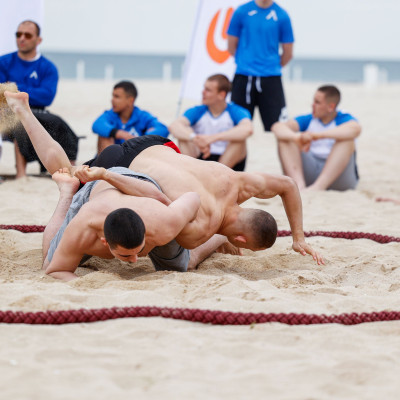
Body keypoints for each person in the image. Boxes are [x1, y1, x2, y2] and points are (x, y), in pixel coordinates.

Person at [3, 89, 231, 281]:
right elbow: (99, 126)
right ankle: (64, 186)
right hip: (124, 165)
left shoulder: (162, 221)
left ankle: (25, 113)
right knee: (65, 173)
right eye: (127, 256)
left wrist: (169, 205)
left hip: (135, 165)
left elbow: (161, 131)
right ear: (104, 241)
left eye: (118, 96)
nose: (134, 262)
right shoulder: (85, 222)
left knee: (65, 171)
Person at [0, 20, 78, 178]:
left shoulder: (48, 67)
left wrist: (15, 88)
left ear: (38, 40)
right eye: (18, 34)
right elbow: (1, 92)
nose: (22, 38)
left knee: (60, 125)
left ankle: (70, 170)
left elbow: (47, 96)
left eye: (27, 35)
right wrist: (26, 92)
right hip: (7, 112)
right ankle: (21, 174)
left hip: (39, 112)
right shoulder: (4, 62)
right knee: (19, 123)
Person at [271, 85, 362, 191]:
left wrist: (317, 136)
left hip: (339, 177)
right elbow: (277, 127)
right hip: (311, 170)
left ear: (331, 107)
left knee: (347, 141)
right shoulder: (309, 119)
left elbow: (355, 129)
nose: (313, 105)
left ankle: (318, 187)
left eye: (317, 102)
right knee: (285, 139)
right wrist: (297, 137)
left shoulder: (343, 118)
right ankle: (299, 186)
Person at [227, 0, 294, 132]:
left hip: (271, 78)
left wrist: (270, 66)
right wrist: (246, 61)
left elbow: (288, 52)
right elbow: (231, 46)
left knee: (279, 127)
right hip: (244, 76)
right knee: (238, 126)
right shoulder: (242, 11)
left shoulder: (282, 15)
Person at [169, 74, 252, 171]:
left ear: (221, 95)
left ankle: (218, 173)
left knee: (239, 139)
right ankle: (192, 173)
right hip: (201, 157)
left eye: (208, 90)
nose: (203, 92)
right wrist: (195, 139)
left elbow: (248, 129)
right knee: (184, 135)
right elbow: (174, 126)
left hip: (227, 161)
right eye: (204, 88)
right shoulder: (198, 110)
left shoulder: (235, 111)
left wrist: (211, 139)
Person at [92, 80, 169, 154]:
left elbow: (163, 129)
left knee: (155, 144)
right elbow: (97, 124)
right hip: (109, 161)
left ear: (130, 100)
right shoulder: (110, 115)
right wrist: (122, 134)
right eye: (113, 96)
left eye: (117, 97)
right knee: (104, 136)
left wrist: (141, 139)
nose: (112, 100)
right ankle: (109, 167)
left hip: (132, 160)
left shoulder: (142, 116)